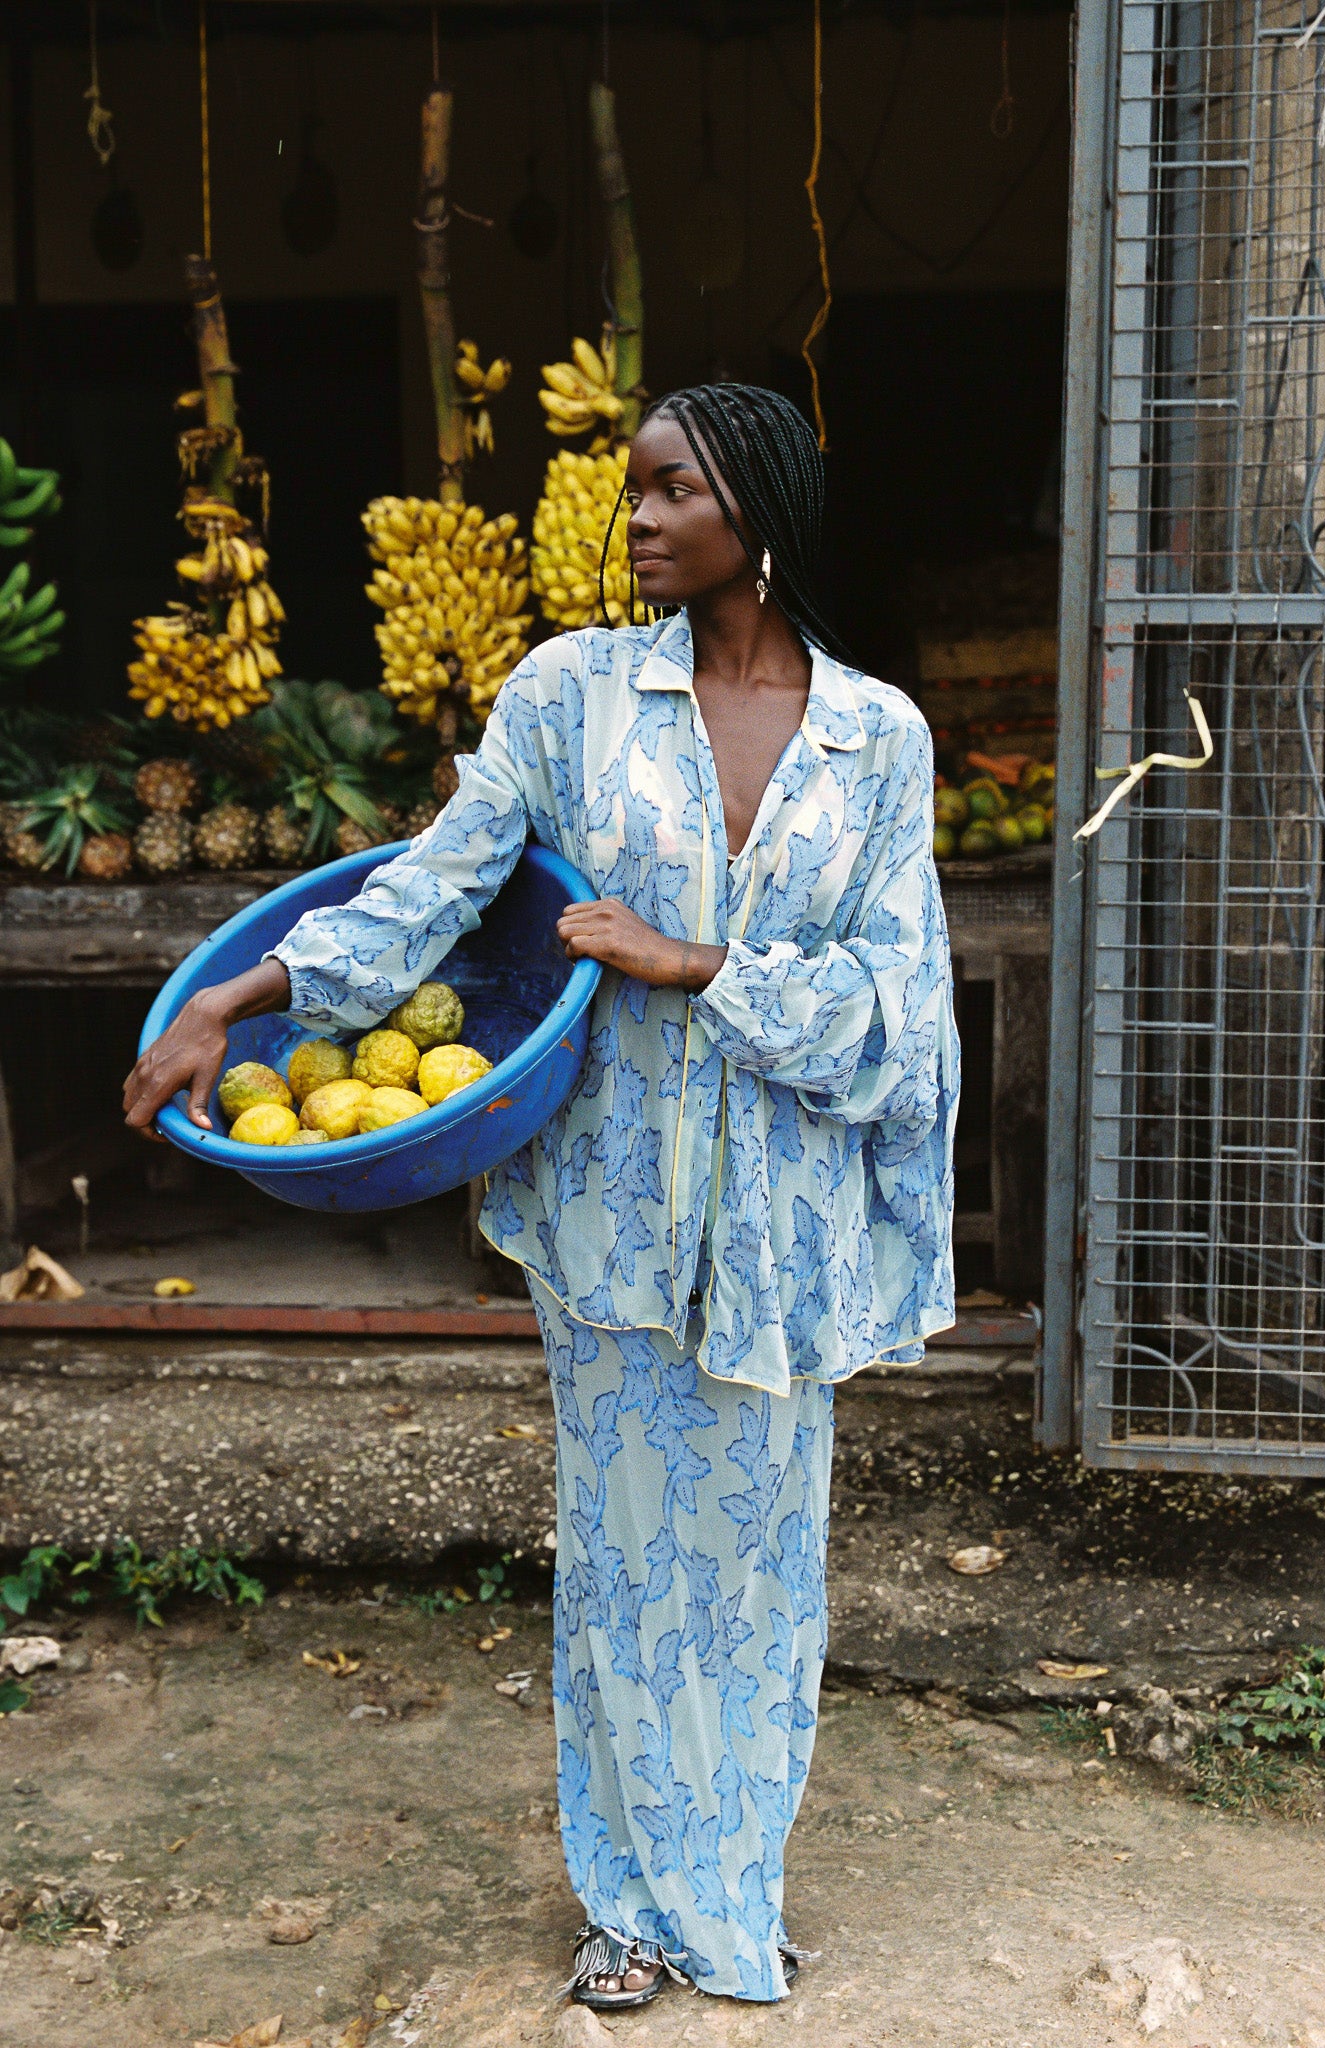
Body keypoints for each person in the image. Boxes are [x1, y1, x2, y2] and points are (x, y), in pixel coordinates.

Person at [123, 383, 959, 2010]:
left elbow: (897, 1009)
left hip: (778, 1232)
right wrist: (256, 995)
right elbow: (435, 890)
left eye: (670, 492)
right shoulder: (570, 698)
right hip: (614, 1218)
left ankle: (735, 1889)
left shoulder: (877, 737)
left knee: (766, 1569)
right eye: (631, 493)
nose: (633, 520)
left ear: (758, 511)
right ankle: (636, 1909)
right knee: (632, 1563)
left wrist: (696, 961)